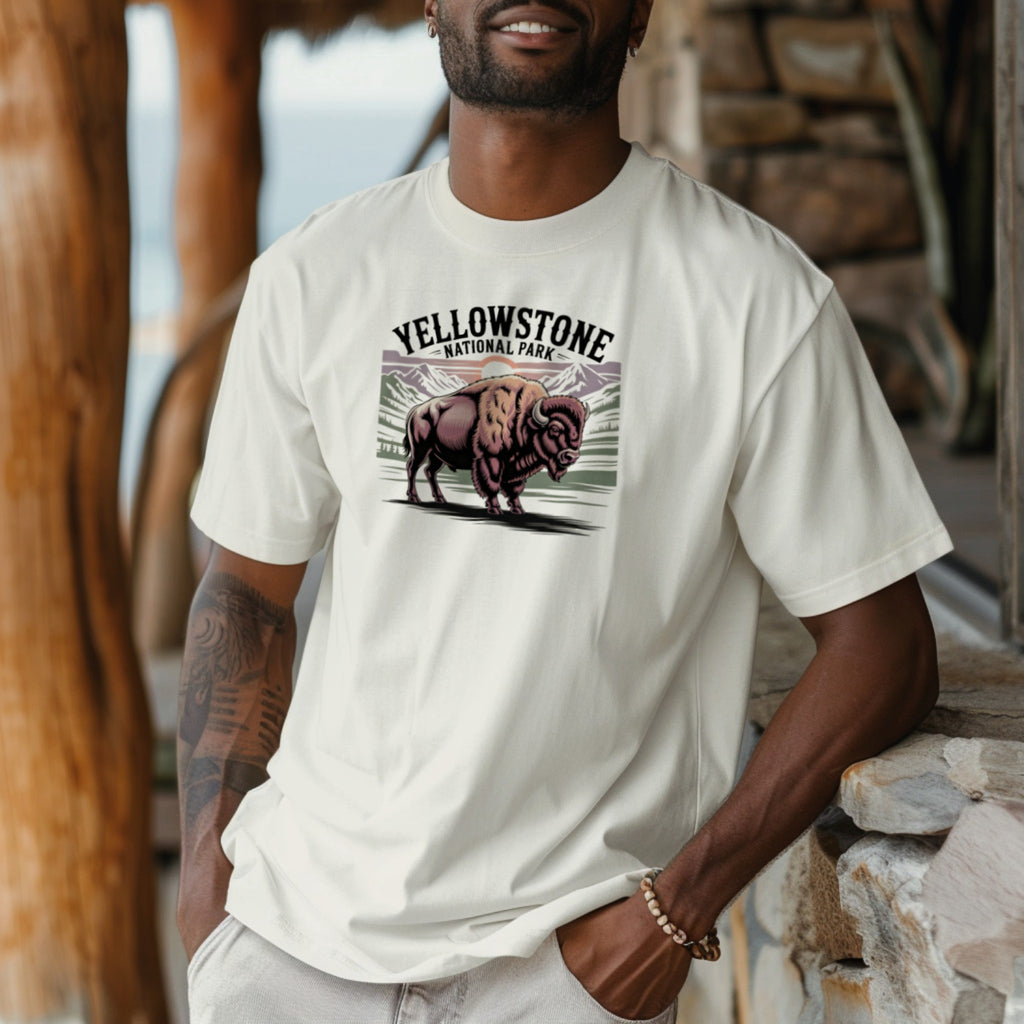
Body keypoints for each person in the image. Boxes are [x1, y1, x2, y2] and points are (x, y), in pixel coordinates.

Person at [176, 0, 953, 1016]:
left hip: (563, 972)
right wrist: (207, 881)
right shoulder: (314, 276)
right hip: (290, 947)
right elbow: (244, 591)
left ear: (635, 16)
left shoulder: (754, 297)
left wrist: (678, 904)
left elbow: (884, 647)